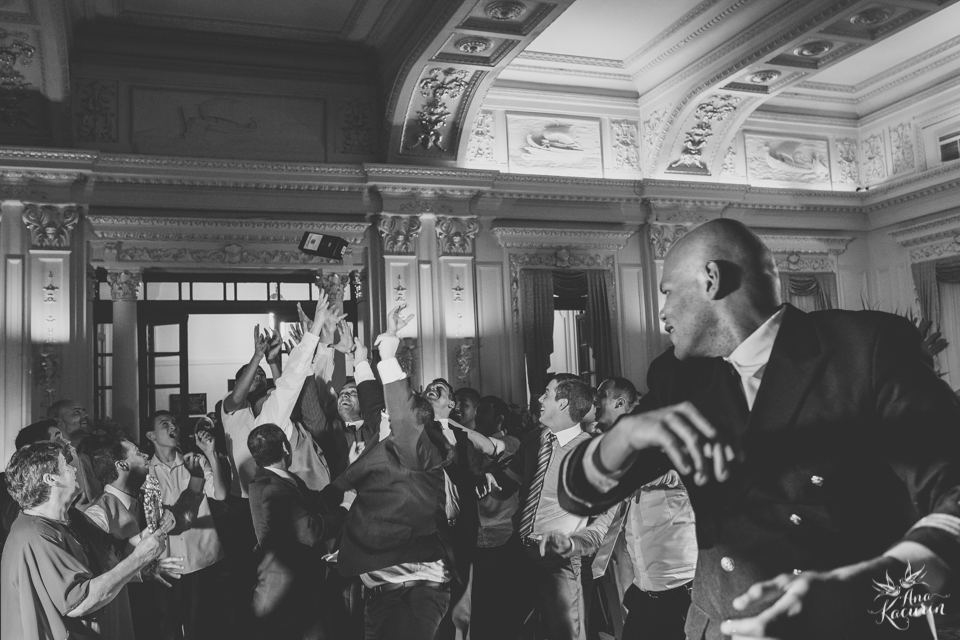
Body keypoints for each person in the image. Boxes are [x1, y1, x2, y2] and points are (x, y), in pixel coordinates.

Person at [560, 218, 960, 640]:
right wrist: (624, 437)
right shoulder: (678, 378)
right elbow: (577, 494)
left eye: (668, 292)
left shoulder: (864, 350)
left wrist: (871, 586)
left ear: (711, 279)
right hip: (722, 627)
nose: (662, 313)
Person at [323, 308, 456, 640]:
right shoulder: (383, 431)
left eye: (390, 415)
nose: (382, 417)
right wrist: (359, 359)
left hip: (412, 591)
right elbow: (373, 404)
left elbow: (404, 418)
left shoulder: (419, 451)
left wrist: (388, 355)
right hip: (383, 590)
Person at [1, 441, 170, 640]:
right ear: (51, 479)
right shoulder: (35, 536)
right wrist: (139, 559)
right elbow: (79, 602)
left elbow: (113, 549)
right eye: (66, 465)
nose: (74, 469)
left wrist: (150, 534)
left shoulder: (71, 517)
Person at [490, 375, 616, 640]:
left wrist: (578, 544)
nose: (540, 399)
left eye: (546, 393)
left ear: (563, 403)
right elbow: (508, 484)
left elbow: (606, 514)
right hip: (519, 549)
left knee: (564, 634)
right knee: (505, 629)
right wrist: (487, 480)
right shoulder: (533, 440)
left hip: (560, 559)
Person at [590, 378, 697, 640]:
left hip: (680, 585)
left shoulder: (658, 444)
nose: (594, 399)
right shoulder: (608, 447)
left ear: (619, 403)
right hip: (644, 584)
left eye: (601, 394)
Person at [247, 423, 347, 639]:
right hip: (285, 593)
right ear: (285, 447)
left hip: (297, 589)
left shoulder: (277, 479)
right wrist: (345, 509)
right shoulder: (273, 487)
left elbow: (317, 500)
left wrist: (349, 473)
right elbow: (310, 530)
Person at [84, 432, 185, 640]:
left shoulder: (146, 500)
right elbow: (94, 572)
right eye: (138, 452)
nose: (146, 455)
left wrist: (169, 517)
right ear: (122, 465)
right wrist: (139, 572)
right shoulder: (98, 514)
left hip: (156, 607)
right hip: (125, 614)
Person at [145, 410, 228, 640]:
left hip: (201, 556)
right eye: (165, 424)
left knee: (203, 628)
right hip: (167, 563)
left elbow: (221, 494)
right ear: (151, 435)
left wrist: (210, 454)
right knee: (168, 628)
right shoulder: (146, 471)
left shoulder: (195, 461)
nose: (173, 427)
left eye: (174, 423)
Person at [47, 399, 101, 507]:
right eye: (77, 412)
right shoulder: (51, 461)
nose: (85, 415)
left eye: (84, 411)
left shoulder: (87, 459)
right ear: (58, 421)